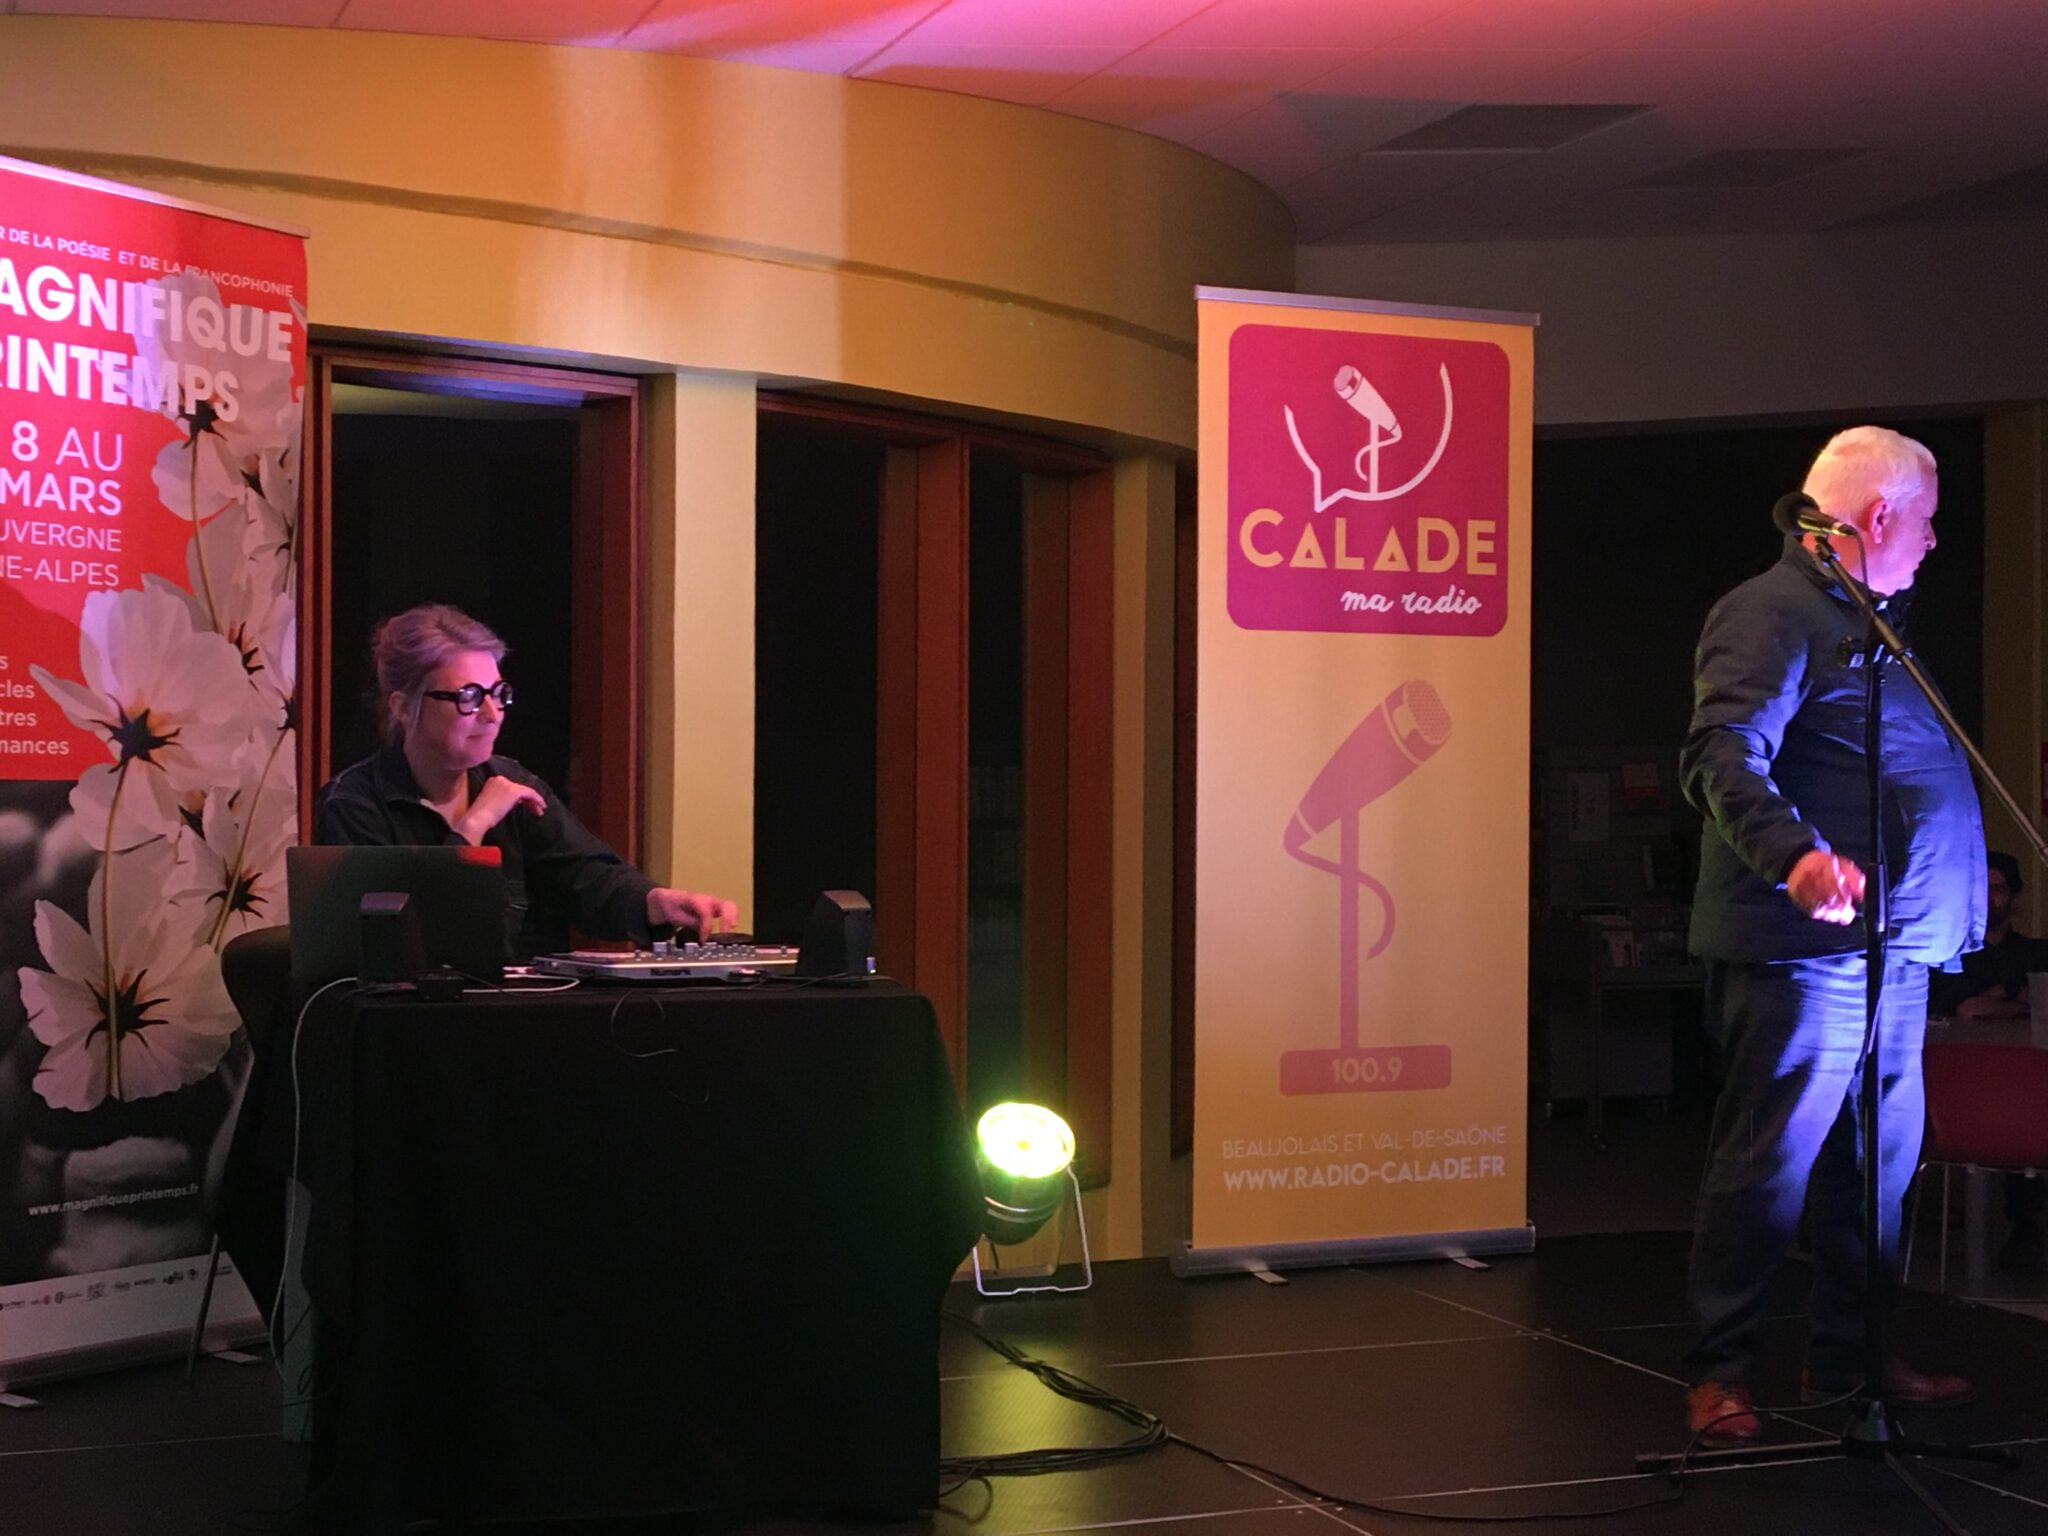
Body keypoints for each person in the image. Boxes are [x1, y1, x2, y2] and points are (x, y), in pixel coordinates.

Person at [1679, 427, 1984, 1446]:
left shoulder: (1869, 621)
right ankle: (1719, 1370)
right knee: (1769, 1164)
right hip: (1805, 948)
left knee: (1879, 1167)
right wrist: (1794, 856)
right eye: (1925, 522)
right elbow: (1721, 753)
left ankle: (1854, 1357)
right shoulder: (1771, 611)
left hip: (1890, 945)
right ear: (1880, 516)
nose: (1932, 543)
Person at [313, 604, 737, 960]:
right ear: (404, 708)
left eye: (498, 693)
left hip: (493, 1014)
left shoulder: (511, 782)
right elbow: (402, 944)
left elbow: (585, 877)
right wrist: (473, 825)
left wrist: (654, 902)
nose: (492, 714)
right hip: (396, 1025)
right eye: (468, 697)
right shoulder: (351, 804)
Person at [1929, 850, 2046, 1019]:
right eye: (1981, 888)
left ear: (2014, 898)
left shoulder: (2036, 953)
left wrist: (1999, 998)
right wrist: (2017, 998)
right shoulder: (1950, 956)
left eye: (1997, 889)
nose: (1987, 897)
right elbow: (1968, 1009)